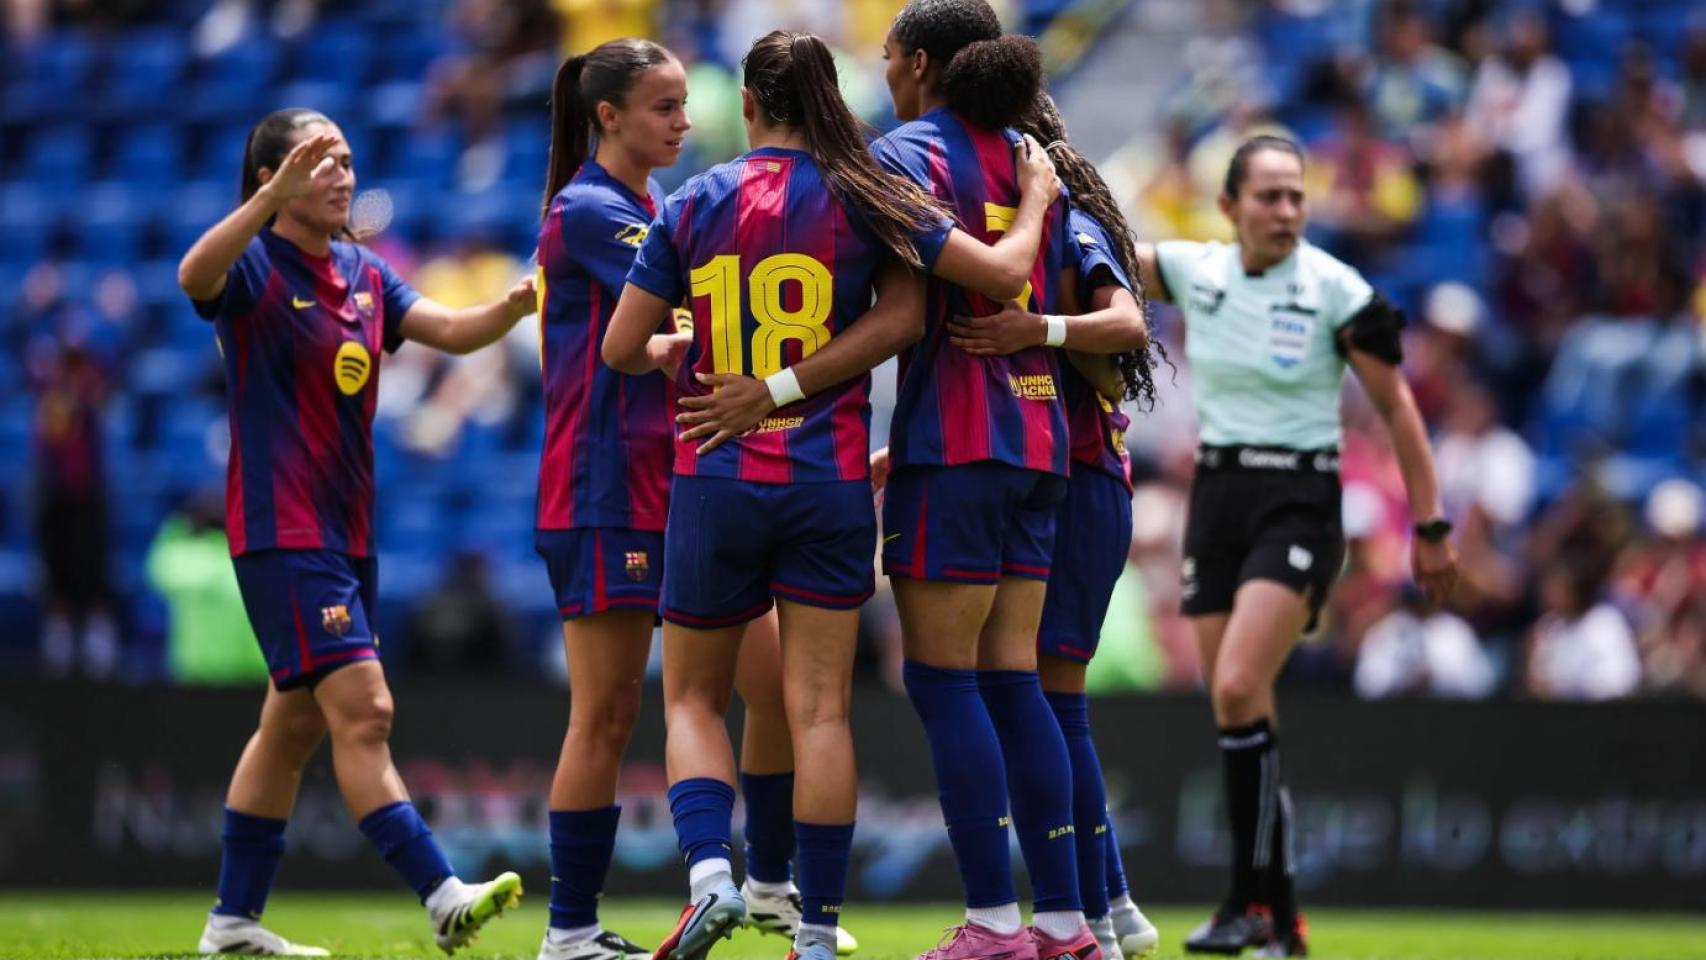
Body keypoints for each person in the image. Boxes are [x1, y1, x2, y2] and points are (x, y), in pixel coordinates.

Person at [600, 30, 954, 960]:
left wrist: (682, 348)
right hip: (827, 480)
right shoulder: (865, 194)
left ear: (749, 104)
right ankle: (818, 931)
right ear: (827, 96)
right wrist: (796, 387)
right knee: (820, 712)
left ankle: (711, 877)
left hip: (716, 478)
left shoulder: (694, 203)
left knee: (691, 704)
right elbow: (905, 318)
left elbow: (617, 347)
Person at [177, 107, 537, 957]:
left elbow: (450, 331)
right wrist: (264, 205)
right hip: (283, 526)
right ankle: (443, 894)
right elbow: (194, 274)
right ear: (274, 179)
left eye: (346, 158)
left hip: (346, 531)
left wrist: (517, 304)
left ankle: (232, 923)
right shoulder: (255, 268)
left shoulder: (364, 271)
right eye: (320, 160)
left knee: (292, 727)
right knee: (366, 710)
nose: (342, 173)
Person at [530, 38, 853, 960]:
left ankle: (766, 886)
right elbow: (692, 310)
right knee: (606, 711)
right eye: (665, 108)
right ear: (609, 117)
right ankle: (571, 930)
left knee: (773, 690)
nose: (684, 122)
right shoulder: (592, 210)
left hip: (689, 476)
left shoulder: (656, 206)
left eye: (686, 105)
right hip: (605, 485)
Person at [1130, 134, 1458, 957]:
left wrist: (1430, 526)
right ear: (1230, 207)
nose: (1284, 210)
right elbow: (1099, 252)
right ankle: (1279, 915)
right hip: (1218, 499)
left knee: (1240, 683)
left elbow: (1399, 411)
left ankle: (1250, 901)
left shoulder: (1337, 289)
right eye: (1268, 196)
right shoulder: (1197, 269)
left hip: (1300, 501)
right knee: (1240, 709)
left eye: (1295, 196)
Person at [870, 4, 1097, 959]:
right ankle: (1066, 923)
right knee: (1015, 684)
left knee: (939, 677)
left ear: (919, 62)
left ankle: (994, 924)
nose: (882, 73)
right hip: (1040, 436)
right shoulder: (1036, 154)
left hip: (959, 437)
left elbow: (940, 291)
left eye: (886, 57)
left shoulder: (906, 155)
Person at [946, 90, 1164, 960]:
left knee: (1053, 700)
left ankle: (1096, 916)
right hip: (1064, 477)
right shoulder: (1044, 219)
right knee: (1044, 698)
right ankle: (1108, 905)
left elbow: (1126, 325)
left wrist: (1036, 327)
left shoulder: (1066, 216)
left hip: (1081, 482)